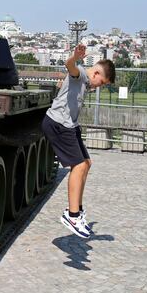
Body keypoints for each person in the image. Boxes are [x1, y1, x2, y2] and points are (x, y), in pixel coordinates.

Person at [41, 43, 115, 239]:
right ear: (97, 73)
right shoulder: (81, 73)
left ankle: (78, 211)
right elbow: (70, 66)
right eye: (102, 83)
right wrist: (74, 57)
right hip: (58, 124)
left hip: (70, 126)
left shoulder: (86, 81)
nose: (99, 87)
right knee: (79, 166)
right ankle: (72, 216)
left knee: (87, 163)